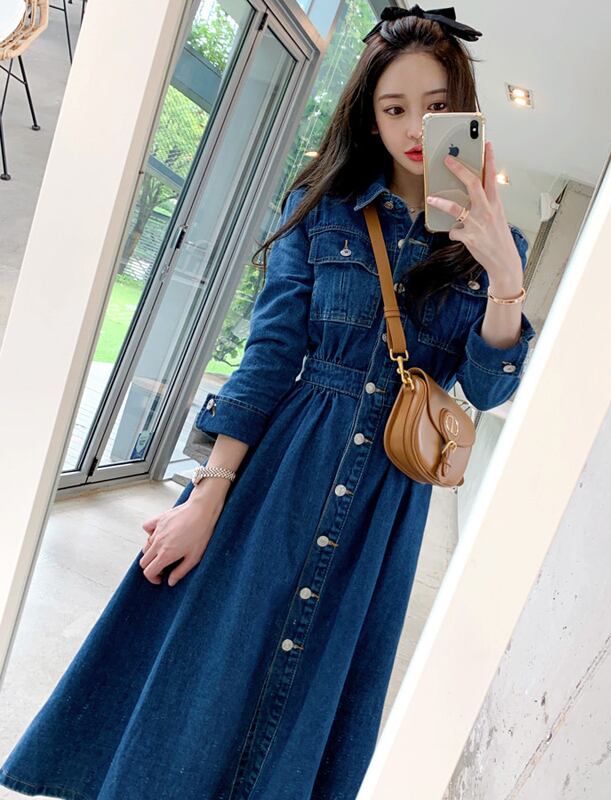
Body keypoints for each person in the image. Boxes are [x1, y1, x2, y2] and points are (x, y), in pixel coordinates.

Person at [0, 5, 536, 799]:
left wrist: (504, 278)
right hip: (285, 470)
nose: (415, 128)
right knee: (206, 672)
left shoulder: (495, 244)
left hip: (385, 503)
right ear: (371, 117)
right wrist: (207, 492)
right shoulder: (323, 209)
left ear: (463, 109)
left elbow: (487, 388)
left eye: (434, 106)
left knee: (306, 693)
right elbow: (271, 355)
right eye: (394, 108)